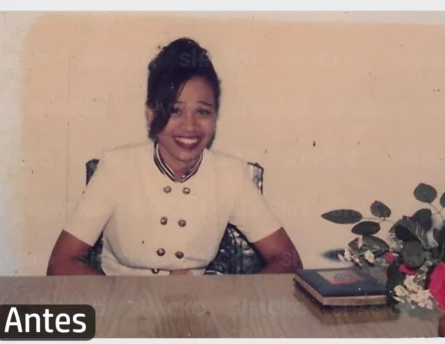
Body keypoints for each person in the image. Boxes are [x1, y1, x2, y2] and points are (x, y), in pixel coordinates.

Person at [46, 38, 303, 276]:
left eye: (202, 112)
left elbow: (288, 260)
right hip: (121, 311)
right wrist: (128, 297)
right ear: (150, 115)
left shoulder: (229, 175)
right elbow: (60, 263)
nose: (189, 127)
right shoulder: (117, 167)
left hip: (197, 314)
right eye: (175, 111)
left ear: (215, 117)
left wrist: (230, 298)